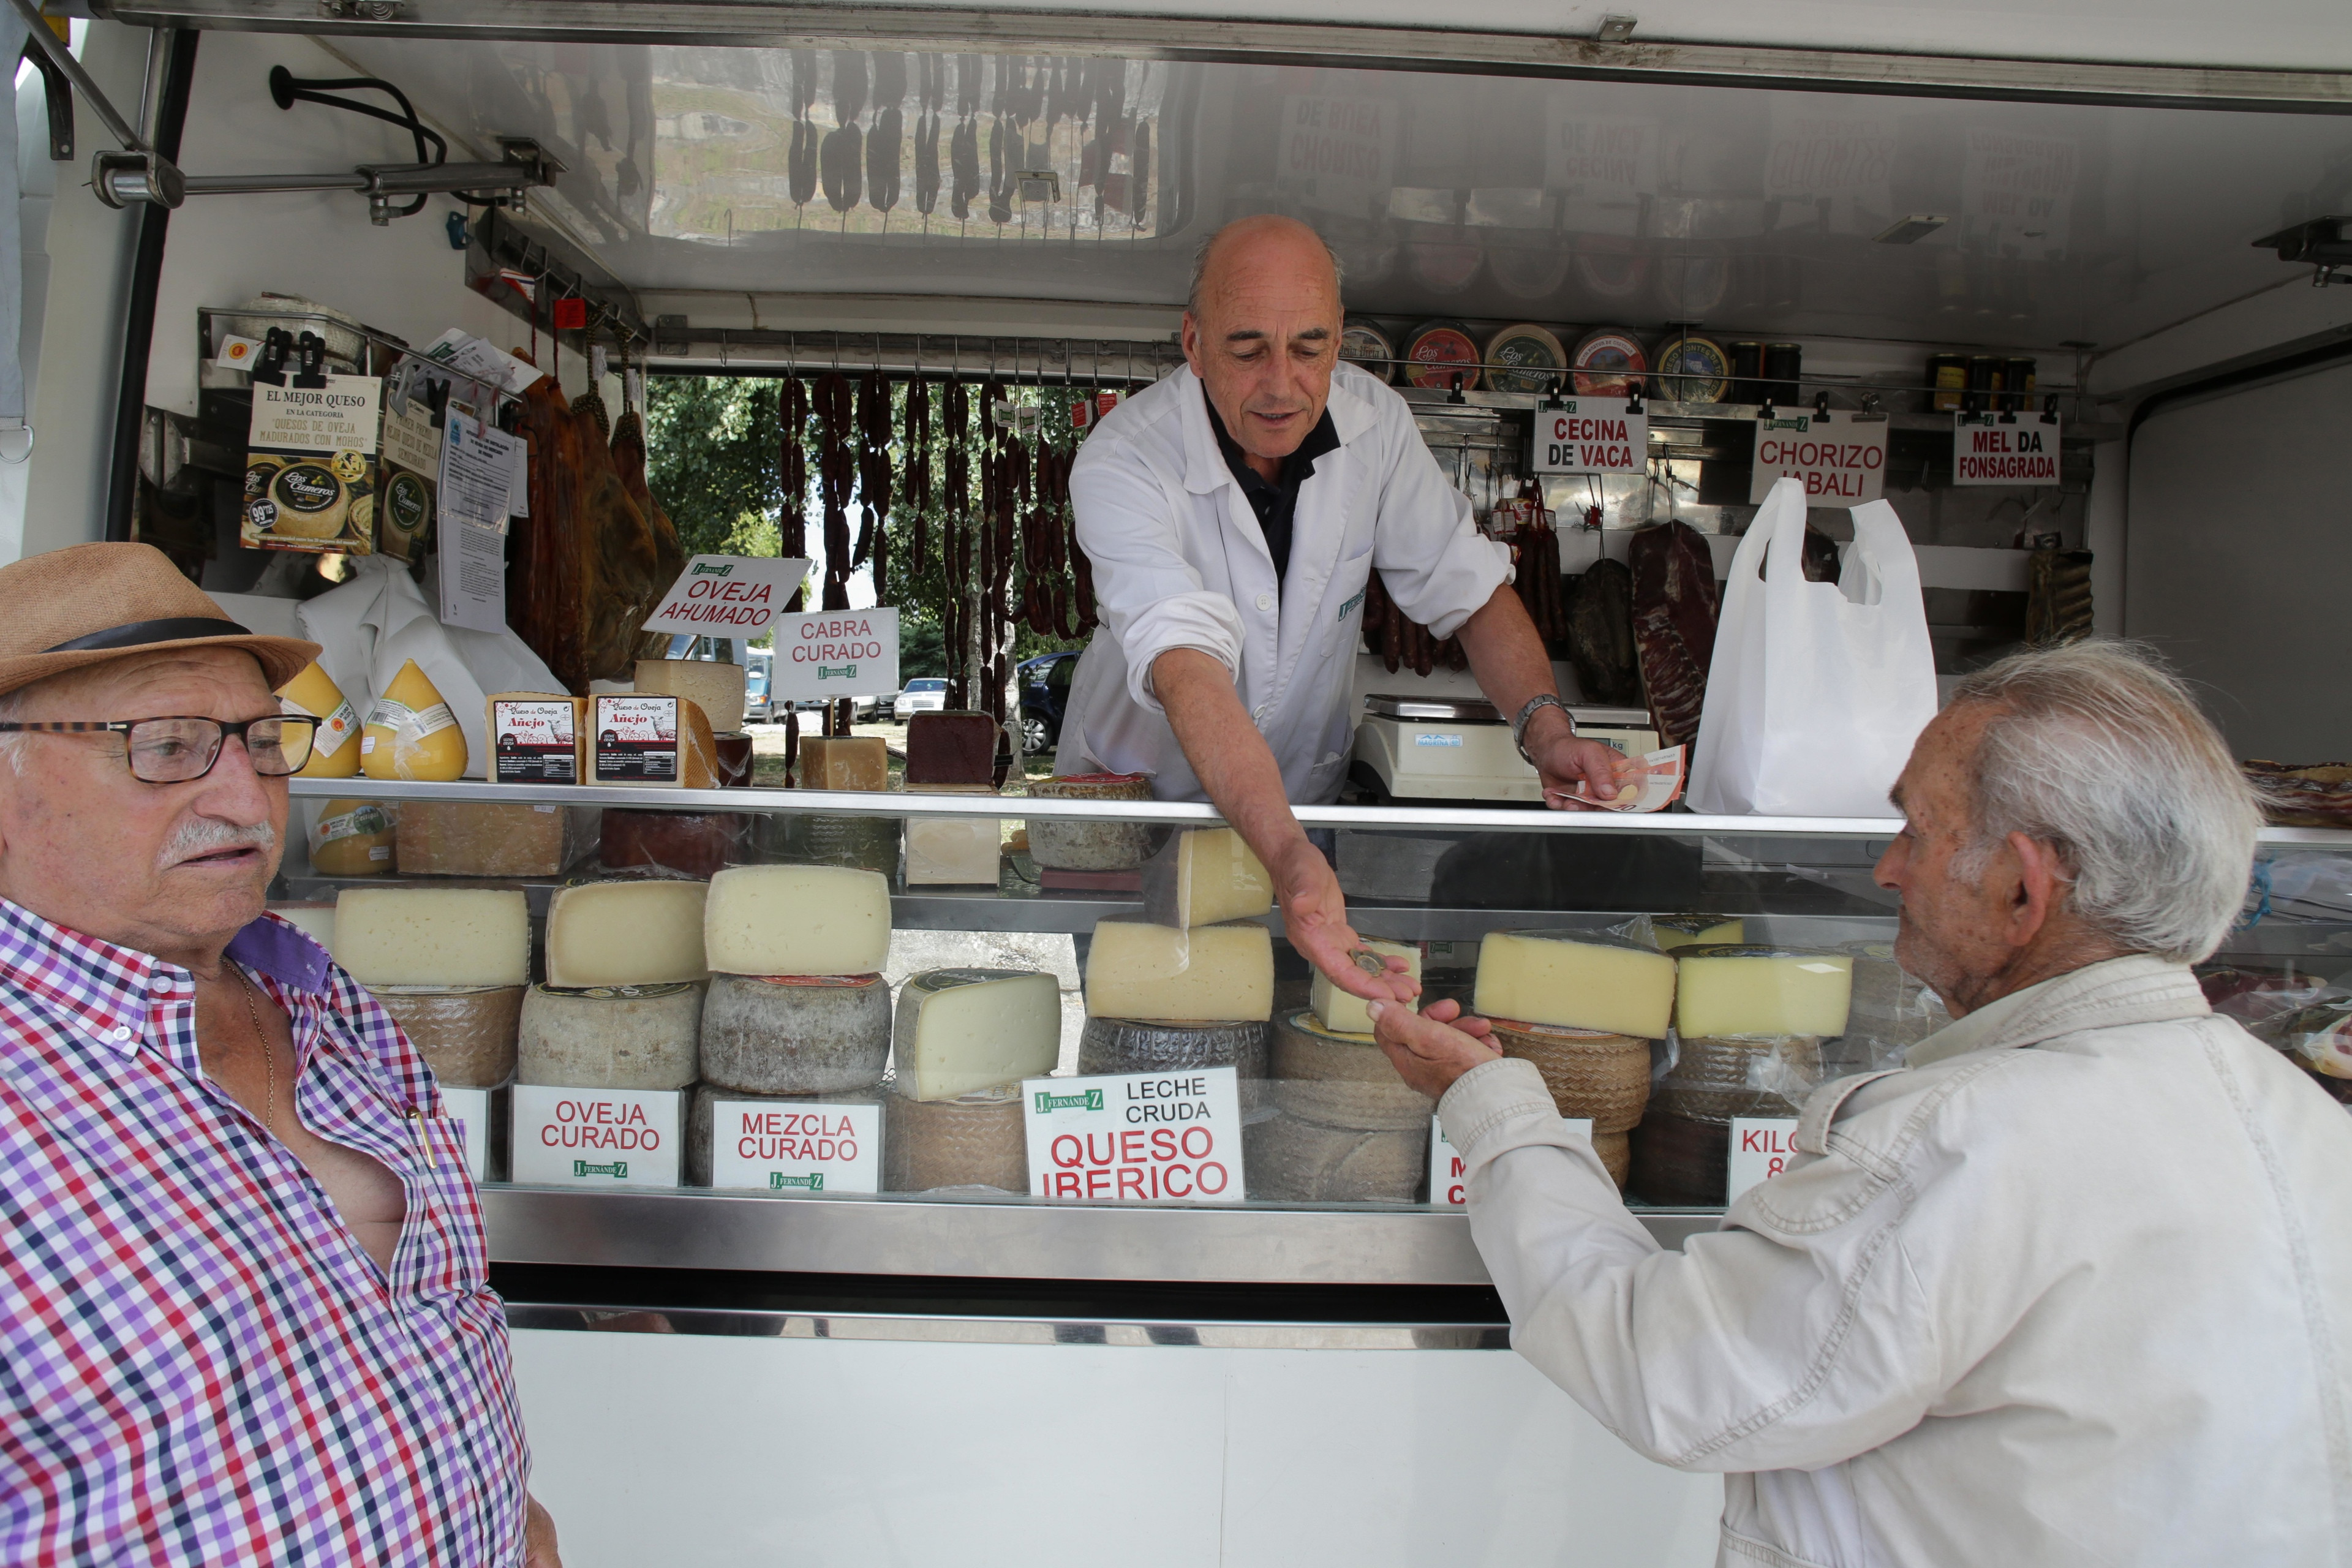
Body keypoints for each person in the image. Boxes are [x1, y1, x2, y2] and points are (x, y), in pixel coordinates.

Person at [1371, 640, 2352, 1566]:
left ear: (2024, 887)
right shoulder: (2306, 1119)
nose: (1886, 867)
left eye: (1917, 831)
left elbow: (1675, 1374)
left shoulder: (1963, 1144)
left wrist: (1491, 1105)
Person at [0, 543, 558, 1565]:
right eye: (166, 747)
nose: (249, 803)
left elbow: (437, 1327)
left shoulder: (324, 1000)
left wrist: (521, 1528)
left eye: (262, 743)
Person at [1062, 213, 1634, 1004]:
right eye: (1247, 347)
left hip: (1297, 811)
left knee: (1298, 1059)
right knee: (1150, 1054)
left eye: (1309, 349)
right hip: (1144, 820)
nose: (1280, 384)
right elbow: (1185, 662)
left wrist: (1547, 730)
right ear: (1192, 344)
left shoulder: (1377, 430)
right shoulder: (1124, 458)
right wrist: (1289, 853)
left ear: (1338, 345)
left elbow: (1469, 589)